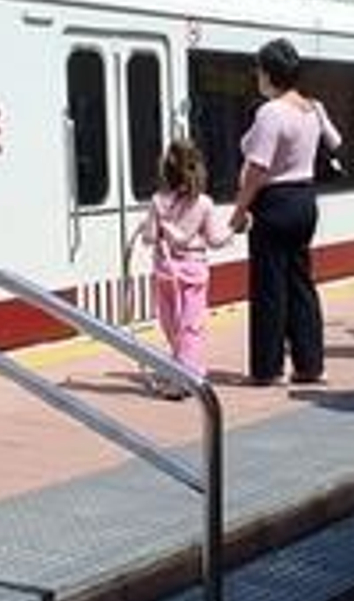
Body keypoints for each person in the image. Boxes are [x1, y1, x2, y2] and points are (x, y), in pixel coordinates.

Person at [229, 37, 342, 386]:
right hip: (305, 200)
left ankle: (267, 368)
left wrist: (240, 209)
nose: (257, 77)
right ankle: (310, 364)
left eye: (259, 71)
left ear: (268, 73)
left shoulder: (271, 112)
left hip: (274, 202)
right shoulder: (312, 108)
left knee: (269, 287)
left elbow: (258, 166)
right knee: (301, 284)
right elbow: (336, 142)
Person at [133, 138, 232, 398]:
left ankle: (184, 371)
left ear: (165, 171)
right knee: (191, 326)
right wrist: (234, 230)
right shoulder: (204, 203)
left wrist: (147, 228)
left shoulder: (158, 201)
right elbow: (215, 240)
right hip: (194, 271)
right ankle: (188, 375)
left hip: (166, 272)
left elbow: (149, 238)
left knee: (172, 325)